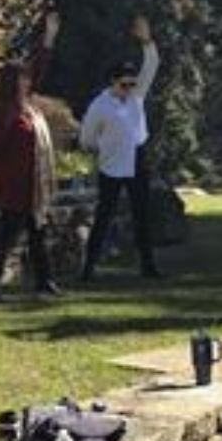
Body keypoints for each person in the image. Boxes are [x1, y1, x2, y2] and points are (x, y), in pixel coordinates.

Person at [0, 10, 63, 301]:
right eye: (21, 80)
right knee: (6, 239)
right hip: (15, 189)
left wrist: (49, 38)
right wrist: (9, 173)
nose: (27, 83)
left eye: (27, 80)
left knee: (39, 235)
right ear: (11, 83)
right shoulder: (5, 112)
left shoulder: (27, 106)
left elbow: (38, 67)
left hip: (35, 187)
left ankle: (45, 281)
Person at [76, 17, 162, 282]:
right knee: (104, 215)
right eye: (124, 84)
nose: (129, 89)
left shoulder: (136, 95)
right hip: (111, 164)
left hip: (137, 159)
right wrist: (101, 151)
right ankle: (89, 267)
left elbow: (151, 66)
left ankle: (148, 266)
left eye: (131, 84)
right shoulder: (99, 106)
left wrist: (146, 41)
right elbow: (87, 138)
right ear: (112, 83)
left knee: (142, 215)